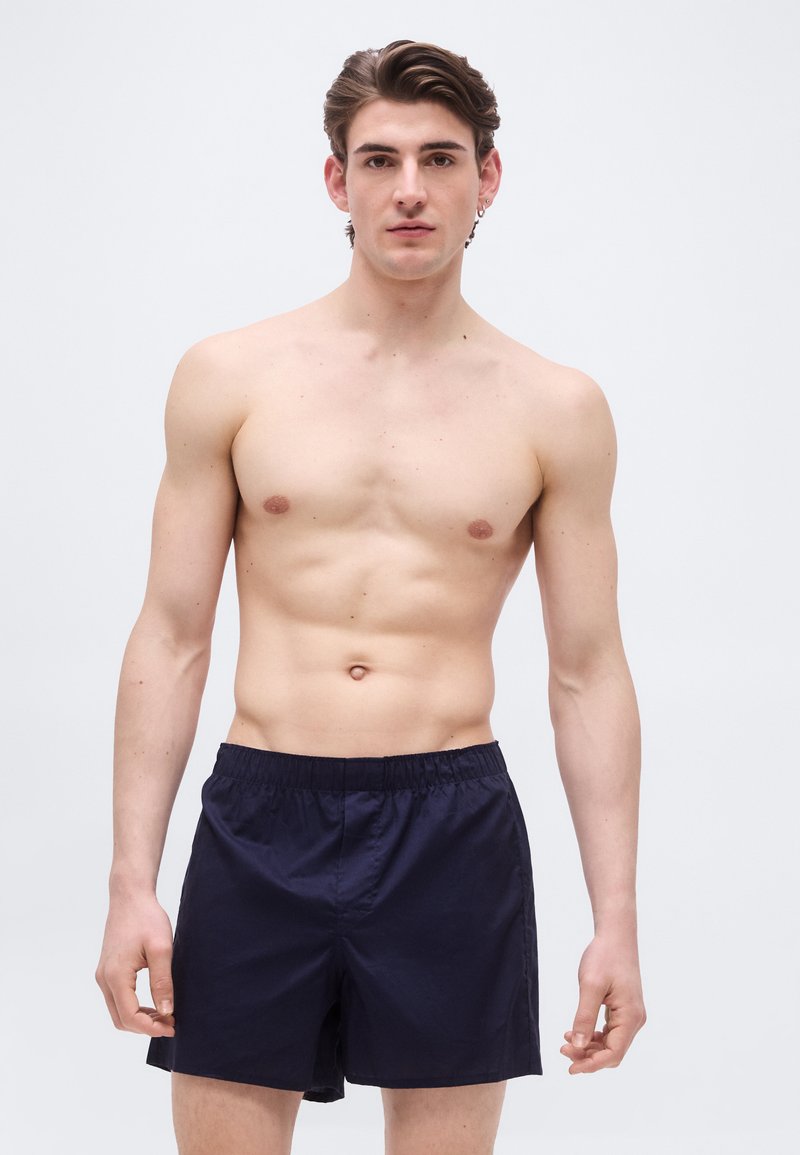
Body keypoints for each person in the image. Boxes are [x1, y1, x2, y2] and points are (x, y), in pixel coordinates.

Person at [95, 38, 645, 1155]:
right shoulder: (230, 376)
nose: (409, 190)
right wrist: (129, 882)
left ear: (487, 178)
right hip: (261, 812)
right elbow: (173, 634)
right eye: (379, 159)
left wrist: (617, 920)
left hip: (451, 823)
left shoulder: (555, 408)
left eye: (440, 159)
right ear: (335, 180)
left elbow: (587, 672)